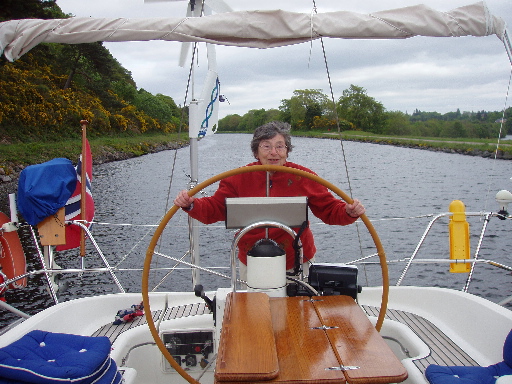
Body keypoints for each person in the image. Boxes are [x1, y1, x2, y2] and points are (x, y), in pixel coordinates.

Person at [174, 121, 365, 280]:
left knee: (297, 310)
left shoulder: (305, 177)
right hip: (252, 259)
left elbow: (330, 210)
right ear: (256, 152)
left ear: (287, 151)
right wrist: (191, 204)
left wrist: (348, 211)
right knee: (255, 314)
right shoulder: (237, 178)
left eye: (280, 146)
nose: (274, 152)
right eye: (266, 146)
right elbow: (215, 209)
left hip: (296, 259)